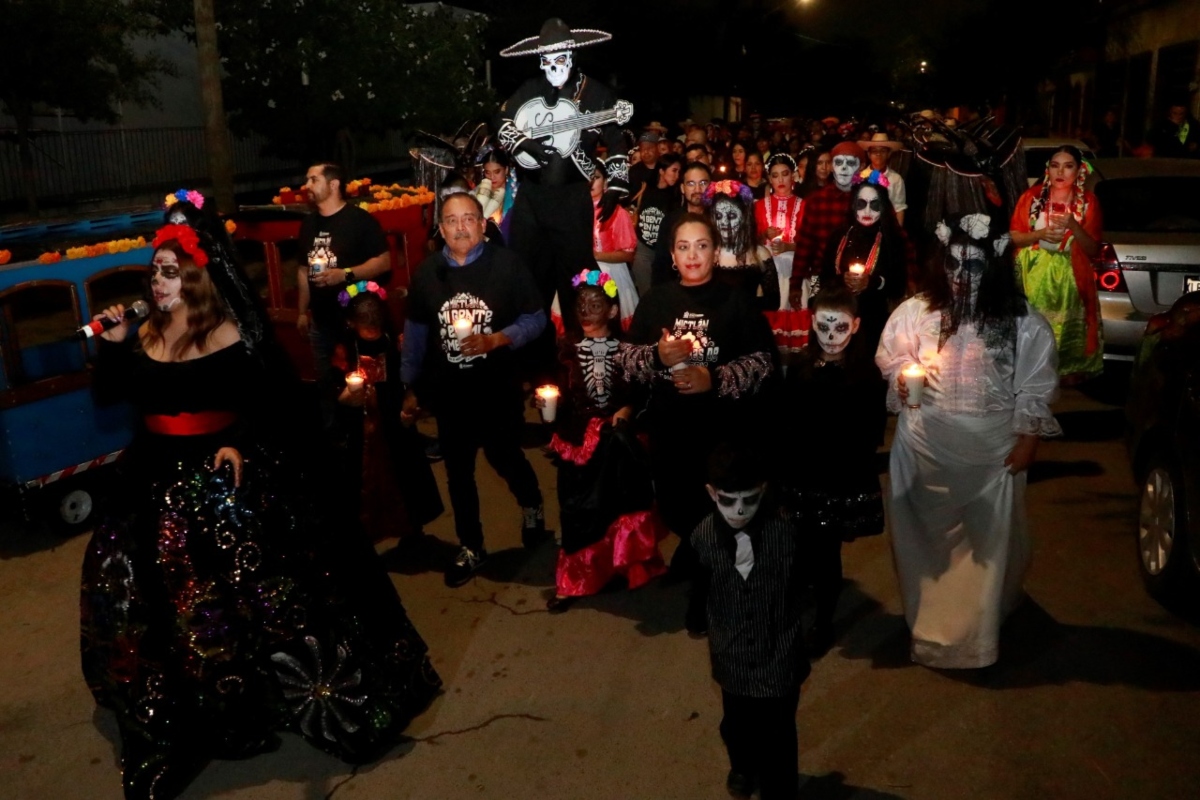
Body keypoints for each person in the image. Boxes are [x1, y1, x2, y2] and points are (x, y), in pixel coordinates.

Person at [83, 221, 440, 800]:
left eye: (170, 272)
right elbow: (110, 398)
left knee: (250, 599)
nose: (159, 281)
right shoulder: (144, 330)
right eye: (155, 272)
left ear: (195, 278)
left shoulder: (224, 333)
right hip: (151, 475)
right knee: (141, 592)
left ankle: (260, 692)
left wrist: (238, 440)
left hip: (216, 478)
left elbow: (265, 401)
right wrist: (114, 347)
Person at [876, 211, 1062, 669]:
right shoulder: (917, 311)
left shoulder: (1022, 321)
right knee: (928, 548)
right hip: (925, 449)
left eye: (974, 266)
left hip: (991, 459)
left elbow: (1035, 385)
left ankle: (976, 637)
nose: (961, 276)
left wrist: (1028, 439)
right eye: (954, 264)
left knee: (987, 549)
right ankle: (932, 629)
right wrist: (903, 378)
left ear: (994, 265)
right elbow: (894, 357)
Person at [616, 214, 777, 577]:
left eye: (702, 246)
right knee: (675, 504)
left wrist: (714, 378)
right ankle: (693, 546)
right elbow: (625, 360)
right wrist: (657, 356)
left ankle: (711, 576)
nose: (692, 255)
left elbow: (763, 363)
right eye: (683, 247)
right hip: (669, 428)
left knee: (717, 506)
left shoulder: (736, 302)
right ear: (672, 255)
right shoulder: (657, 300)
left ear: (715, 252)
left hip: (720, 430)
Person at [401, 193, 547, 587]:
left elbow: (537, 318)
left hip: (496, 387)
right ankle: (472, 545)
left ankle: (532, 502)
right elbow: (415, 333)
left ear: (484, 224)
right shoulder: (427, 273)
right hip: (450, 394)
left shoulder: (507, 265)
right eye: (452, 221)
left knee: (504, 455)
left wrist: (499, 339)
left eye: (469, 219)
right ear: (441, 229)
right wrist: (410, 386)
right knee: (458, 472)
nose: (461, 227)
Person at [495, 18, 632, 343]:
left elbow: (616, 138)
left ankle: (582, 357)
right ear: (539, 59)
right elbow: (499, 117)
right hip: (531, 201)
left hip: (572, 202)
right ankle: (532, 362)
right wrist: (519, 141)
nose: (553, 65)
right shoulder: (530, 89)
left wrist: (616, 184)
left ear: (572, 54)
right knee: (529, 284)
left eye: (560, 57)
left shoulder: (597, 93)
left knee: (576, 283)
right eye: (546, 59)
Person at [686, 444, 808, 800]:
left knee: (780, 732)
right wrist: (697, 618)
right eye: (728, 501)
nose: (739, 511)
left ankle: (779, 789)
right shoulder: (703, 538)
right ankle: (743, 763)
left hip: (779, 651)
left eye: (750, 500)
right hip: (732, 651)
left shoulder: (785, 532)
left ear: (764, 490)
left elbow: (801, 580)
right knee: (737, 724)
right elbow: (699, 585)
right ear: (712, 493)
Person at [541, 270, 667, 612]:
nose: (586, 308)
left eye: (595, 302)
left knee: (622, 505)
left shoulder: (628, 348)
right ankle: (574, 580)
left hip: (616, 440)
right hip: (577, 439)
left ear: (612, 311)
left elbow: (643, 390)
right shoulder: (564, 348)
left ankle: (625, 566)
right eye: (581, 303)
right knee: (577, 510)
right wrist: (548, 404)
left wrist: (626, 409)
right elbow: (555, 389)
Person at [781, 287, 886, 657]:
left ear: (855, 325)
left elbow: (871, 431)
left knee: (825, 552)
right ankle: (799, 604)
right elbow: (787, 422)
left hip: (839, 478)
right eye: (823, 325)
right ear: (811, 322)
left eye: (839, 326)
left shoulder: (865, 375)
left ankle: (823, 621)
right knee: (800, 545)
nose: (830, 335)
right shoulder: (799, 367)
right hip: (803, 475)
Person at [336, 284, 444, 542]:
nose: (372, 334)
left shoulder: (394, 341)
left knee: (406, 473)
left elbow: (412, 378)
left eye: (376, 328)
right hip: (361, 425)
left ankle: (412, 528)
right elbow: (335, 391)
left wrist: (412, 402)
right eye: (366, 329)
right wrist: (347, 397)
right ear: (352, 323)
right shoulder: (345, 348)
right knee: (364, 479)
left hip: (394, 418)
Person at [296, 163, 391, 433]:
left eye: (313, 180)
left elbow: (384, 262)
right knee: (327, 384)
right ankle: (334, 438)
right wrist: (303, 311)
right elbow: (303, 271)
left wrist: (345, 275)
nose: (307, 186)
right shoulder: (308, 223)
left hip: (355, 325)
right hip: (322, 323)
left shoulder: (359, 220)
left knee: (366, 384)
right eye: (307, 180)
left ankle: (374, 437)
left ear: (334, 184)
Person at [1010, 145, 1104, 382]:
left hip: (1070, 279)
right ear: (1048, 170)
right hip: (1031, 276)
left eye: (1068, 166)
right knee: (1030, 326)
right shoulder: (1031, 198)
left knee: (1063, 330)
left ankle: (1060, 377)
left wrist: (1074, 226)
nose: (1060, 172)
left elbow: (1093, 249)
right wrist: (1038, 235)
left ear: (1079, 171)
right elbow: (1013, 236)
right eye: (1055, 165)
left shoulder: (1088, 202)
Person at [818, 175, 911, 350]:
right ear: (853, 206)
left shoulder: (892, 240)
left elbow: (898, 286)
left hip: (873, 320)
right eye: (862, 204)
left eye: (874, 205)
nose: (867, 212)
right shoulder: (839, 235)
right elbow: (824, 278)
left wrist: (873, 282)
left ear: (883, 207)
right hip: (837, 319)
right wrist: (841, 280)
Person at [790, 141, 864, 306]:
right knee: (818, 316)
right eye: (838, 162)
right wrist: (795, 284)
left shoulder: (870, 198)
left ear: (861, 166)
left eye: (850, 163)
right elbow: (805, 243)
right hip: (821, 276)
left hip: (860, 281)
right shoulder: (817, 200)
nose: (844, 168)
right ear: (832, 166)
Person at [705, 179, 781, 311]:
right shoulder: (706, 253)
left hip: (747, 327)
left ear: (745, 218)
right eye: (718, 216)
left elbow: (773, 302)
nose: (724, 222)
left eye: (731, 216)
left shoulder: (759, 254)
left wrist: (743, 306)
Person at [651, 161, 712, 287]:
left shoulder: (719, 219)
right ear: (682, 188)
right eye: (691, 184)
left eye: (703, 183)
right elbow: (661, 264)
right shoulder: (671, 221)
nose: (697, 189)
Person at [632, 153, 683, 296]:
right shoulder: (646, 189)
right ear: (661, 170)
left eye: (679, 171)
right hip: (643, 251)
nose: (676, 175)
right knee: (646, 295)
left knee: (664, 295)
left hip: (665, 253)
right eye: (674, 170)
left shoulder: (677, 195)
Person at [756, 153, 803, 308]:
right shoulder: (759, 206)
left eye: (785, 174)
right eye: (775, 176)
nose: (781, 180)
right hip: (767, 265)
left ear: (793, 176)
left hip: (795, 266)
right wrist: (764, 235)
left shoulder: (804, 205)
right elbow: (751, 241)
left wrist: (789, 247)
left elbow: (811, 244)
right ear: (770, 179)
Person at [864, 132, 908, 226]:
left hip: (887, 226)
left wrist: (897, 234)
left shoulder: (896, 179)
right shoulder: (861, 176)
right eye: (874, 151)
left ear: (888, 154)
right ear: (869, 154)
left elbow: (899, 209)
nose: (878, 154)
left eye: (883, 151)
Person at [476, 147, 520, 240]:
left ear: (506, 170)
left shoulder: (517, 191)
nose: (492, 177)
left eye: (497, 172)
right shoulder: (480, 192)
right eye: (487, 172)